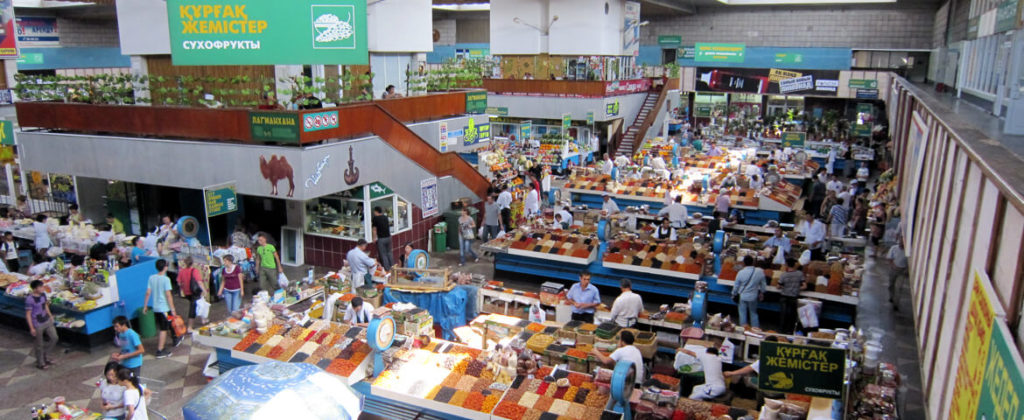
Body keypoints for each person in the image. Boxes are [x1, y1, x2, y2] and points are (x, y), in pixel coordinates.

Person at [142, 259, 179, 358]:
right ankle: (160, 350)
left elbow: (148, 293)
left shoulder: (152, 278)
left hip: (156, 308)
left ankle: (175, 338)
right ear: (165, 267)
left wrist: (145, 306)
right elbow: (168, 295)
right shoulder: (166, 280)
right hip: (164, 308)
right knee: (163, 329)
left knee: (169, 323)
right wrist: (173, 309)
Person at [26, 279, 57, 369]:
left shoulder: (43, 295)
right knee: (39, 344)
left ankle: (46, 354)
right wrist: (31, 328)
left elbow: (45, 305)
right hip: (37, 323)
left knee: (54, 338)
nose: (43, 288)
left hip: (46, 320)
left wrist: (50, 315)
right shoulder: (30, 300)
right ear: (35, 289)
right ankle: (40, 363)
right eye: (41, 287)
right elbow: (28, 314)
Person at [732, 255, 766, 328]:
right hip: (753, 296)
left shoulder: (741, 272)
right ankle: (755, 329)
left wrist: (734, 294)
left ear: (744, 263)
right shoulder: (760, 271)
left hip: (743, 296)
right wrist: (762, 292)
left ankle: (744, 329)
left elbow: (736, 286)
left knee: (742, 313)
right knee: (753, 313)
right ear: (753, 262)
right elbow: (763, 284)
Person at [176, 257, 206, 333]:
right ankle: (190, 327)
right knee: (195, 307)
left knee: (197, 305)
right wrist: (204, 290)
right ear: (192, 263)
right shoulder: (194, 271)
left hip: (187, 292)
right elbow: (199, 282)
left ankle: (203, 319)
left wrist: (183, 286)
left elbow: (179, 282)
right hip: (195, 292)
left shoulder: (181, 271)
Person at [777, 259, 805, 333]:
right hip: (794, 298)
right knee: (792, 316)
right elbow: (804, 286)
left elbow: (778, 286)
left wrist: (784, 287)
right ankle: (790, 331)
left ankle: (781, 331)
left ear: (787, 265)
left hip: (784, 297)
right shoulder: (800, 274)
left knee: (783, 316)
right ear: (794, 265)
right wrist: (797, 288)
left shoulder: (783, 275)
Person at [887, 237, 908, 310]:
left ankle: (896, 303)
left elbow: (909, 262)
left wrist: (906, 269)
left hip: (902, 271)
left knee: (899, 287)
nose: (901, 243)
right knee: (891, 284)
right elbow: (889, 258)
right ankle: (891, 296)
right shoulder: (894, 248)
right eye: (901, 241)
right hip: (893, 269)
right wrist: (893, 266)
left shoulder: (907, 251)